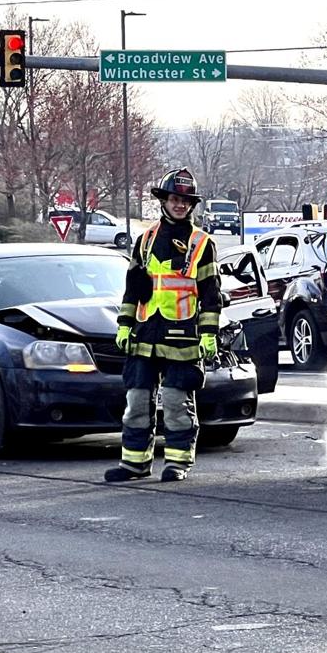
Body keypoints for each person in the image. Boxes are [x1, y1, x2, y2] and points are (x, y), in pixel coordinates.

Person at [104, 168, 220, 484]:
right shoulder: (145, 241)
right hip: (144, 335)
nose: (179, 205)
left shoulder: (201, 244)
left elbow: (210, 295)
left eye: (185, 200)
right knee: (137, 401)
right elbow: (133, 289)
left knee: (175, 402)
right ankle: (134, 464)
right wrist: (124, 325)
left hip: (182, 337)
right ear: (164, 201)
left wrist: (209, 333)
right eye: (174, 199)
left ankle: (178, 463)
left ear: (191, 205)